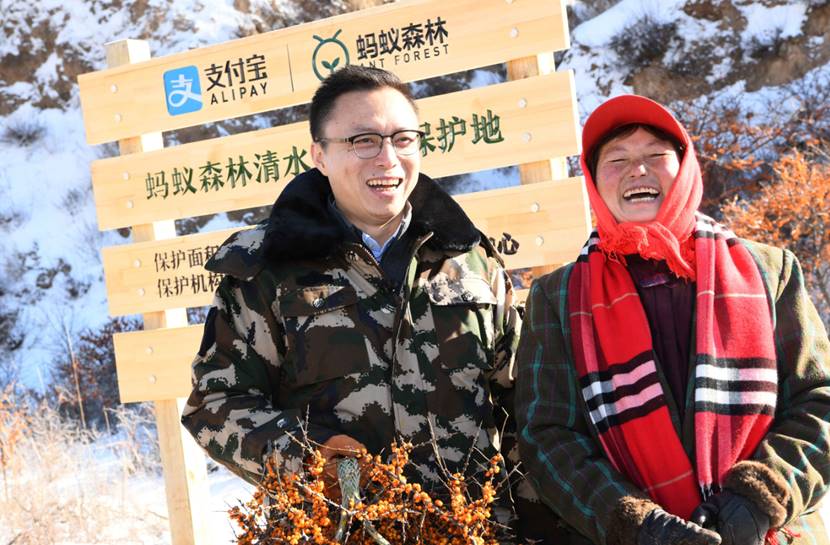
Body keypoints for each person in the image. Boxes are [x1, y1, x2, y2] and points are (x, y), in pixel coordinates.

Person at [180, 65, 525, 535]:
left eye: (403, 139)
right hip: (334, 529)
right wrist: (309, 457)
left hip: (470, 530)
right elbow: (215, 403)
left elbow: (523, 405)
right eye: (364, 141)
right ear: (319, 156)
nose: (388, 158)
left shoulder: (470, 261)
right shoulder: (268, 268)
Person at [515, 94, 830, 545]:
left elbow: (820, 399)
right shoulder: (559, 297)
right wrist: (634, 523)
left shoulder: (770, 270)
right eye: (617, 159)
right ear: (593, 179)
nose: (637, 170)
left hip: (777, 533)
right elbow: (547, 437)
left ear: (684, 168)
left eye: (655, 155)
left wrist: (761, 497)